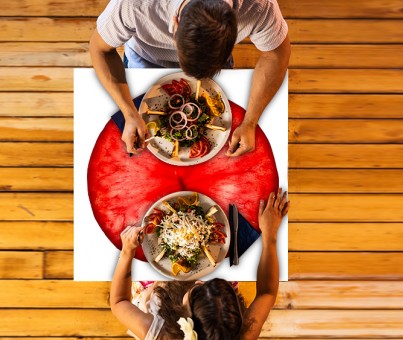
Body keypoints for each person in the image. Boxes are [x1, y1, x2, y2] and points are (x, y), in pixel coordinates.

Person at [90, 0, 290, 156]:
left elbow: (276, 54)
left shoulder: (259, 6)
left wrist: (250, 123)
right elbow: (99, 49)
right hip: (144, 60)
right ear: (175, 22)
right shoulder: (133, 5)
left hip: (218, 68)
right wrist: (129, 113)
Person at [110, 188, 289, 339]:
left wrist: (127, 252)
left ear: (185, 318)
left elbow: (118, 302)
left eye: (198, 289)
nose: (200, 281)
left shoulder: (161, 334)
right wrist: (270, 235)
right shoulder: (241, 334)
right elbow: (267, 293)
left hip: (158, 292)